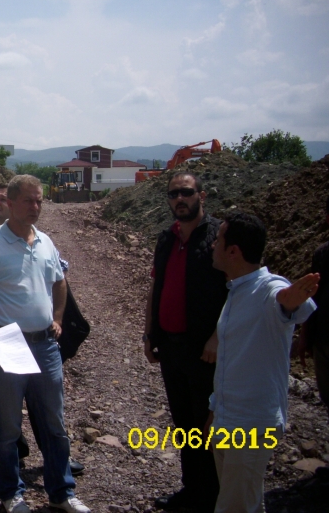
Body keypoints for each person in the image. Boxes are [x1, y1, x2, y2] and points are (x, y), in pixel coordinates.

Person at [0, 175, 90, 513]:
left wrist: (60, 318)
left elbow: (60, 283)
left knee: (54, 421)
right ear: (10, 203)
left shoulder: (46, 242)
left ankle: (62, 493)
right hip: (8, 344)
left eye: (39, 201)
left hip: (45, 345)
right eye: (29, 201)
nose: (36, 207)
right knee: (9, 424)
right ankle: (11, 493)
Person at [207, 212, 318, 512]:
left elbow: (286, 301)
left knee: (234, 506)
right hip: (228, 418)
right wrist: (215, 408)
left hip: (253, 424)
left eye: (217, 240)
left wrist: (293, 297)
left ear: (233, 251)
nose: (212, 245)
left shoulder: (268, 287)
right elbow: (233, 361)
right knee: (246, 501)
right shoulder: (237, 290)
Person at [143, 172, 227, 512]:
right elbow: (155, 288)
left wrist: (218, 336)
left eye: (186, 193)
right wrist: (149, 332)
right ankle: (192, 490)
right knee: (184, 425)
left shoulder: (219, 238)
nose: (180, 199)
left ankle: (214, 495)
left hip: (205, 351)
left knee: (207, 424)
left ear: (201, 196)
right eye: (174, 193)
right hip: (171, 347)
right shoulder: (167, 238)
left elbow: (236, 292)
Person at [300, 191, 329, 462]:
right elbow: (313, 298)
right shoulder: (324, 254)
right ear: (328, 219)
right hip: (326, 342)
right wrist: (306, 337)